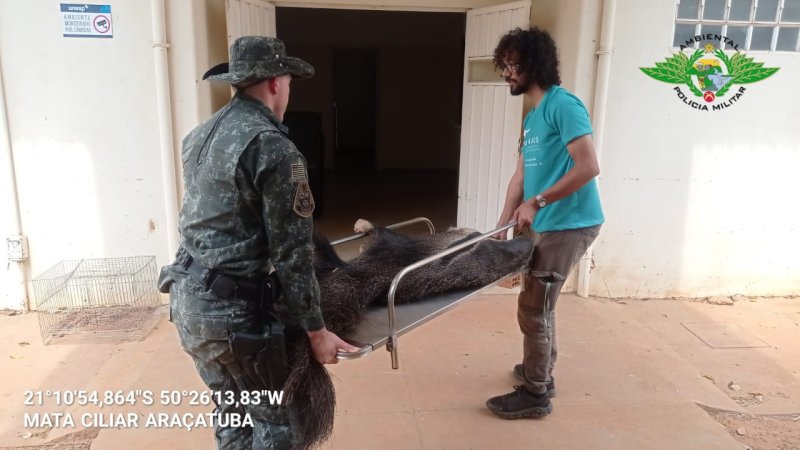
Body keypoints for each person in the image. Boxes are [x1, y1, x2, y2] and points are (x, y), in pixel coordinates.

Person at [158, 36, 357, 449]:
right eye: (288, 81)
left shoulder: (200, 134)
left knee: (232, 411)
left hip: (188, 302)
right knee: (278, 423)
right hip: (234, 320)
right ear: (274, 82)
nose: (287, 90)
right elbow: (293, 254)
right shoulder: (274, 149)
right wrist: (316, 331)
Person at [485, 27, 604, 419]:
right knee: (539, 303)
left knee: (534, 307)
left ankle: (536, 393)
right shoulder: (534, 117)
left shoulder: (563, 105)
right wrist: (503, 222)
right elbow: (520, 177)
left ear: (535, 63)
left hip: (569, 223)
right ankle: (541, 372)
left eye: (512, 65)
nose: (506, 73)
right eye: (503, 66)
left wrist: (537, 203)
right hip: (546, 220)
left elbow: (589, 166)